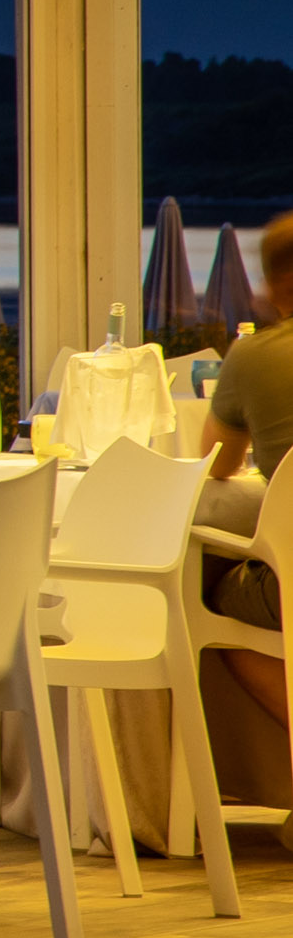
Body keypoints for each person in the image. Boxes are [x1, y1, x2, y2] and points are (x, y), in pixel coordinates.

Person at [193, 210, 293, 720]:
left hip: (288, 588)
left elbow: (214, 464)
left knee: (211, 600)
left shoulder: (254, 355)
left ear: (277, 280)